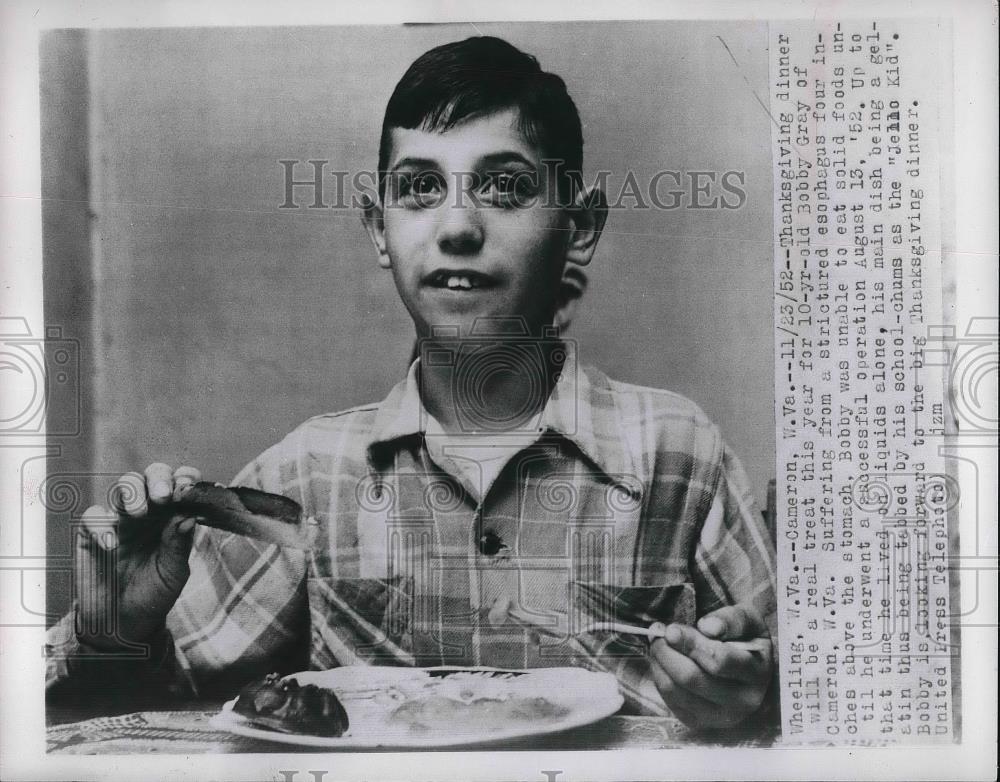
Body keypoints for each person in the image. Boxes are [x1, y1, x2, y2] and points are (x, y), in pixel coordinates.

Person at [47, 36, 777, 731]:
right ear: (377, 226)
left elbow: (805, 678)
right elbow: (128, 711)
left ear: (578, 225)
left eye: (506, 187)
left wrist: (752, 680)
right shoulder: (312, 475)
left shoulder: (677, 452)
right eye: (420, 188)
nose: (457, 226)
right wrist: (113, 628)